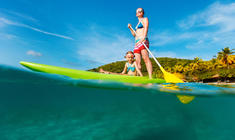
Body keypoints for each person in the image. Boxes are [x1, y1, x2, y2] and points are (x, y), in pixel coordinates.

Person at [128, 8, 153, 79]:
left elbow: (146, 28)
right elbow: (134, 35)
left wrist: (144, 37)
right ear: (136, 14)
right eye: (138, 11)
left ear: (142, 13)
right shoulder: (137, 25)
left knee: (145, 59)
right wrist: (130, 28)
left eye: (140, 11)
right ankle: (139, 77)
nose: (139, 12)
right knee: (137, 62)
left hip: (143, 41)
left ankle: (150, 77)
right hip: (136, 43)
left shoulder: (145, 19)